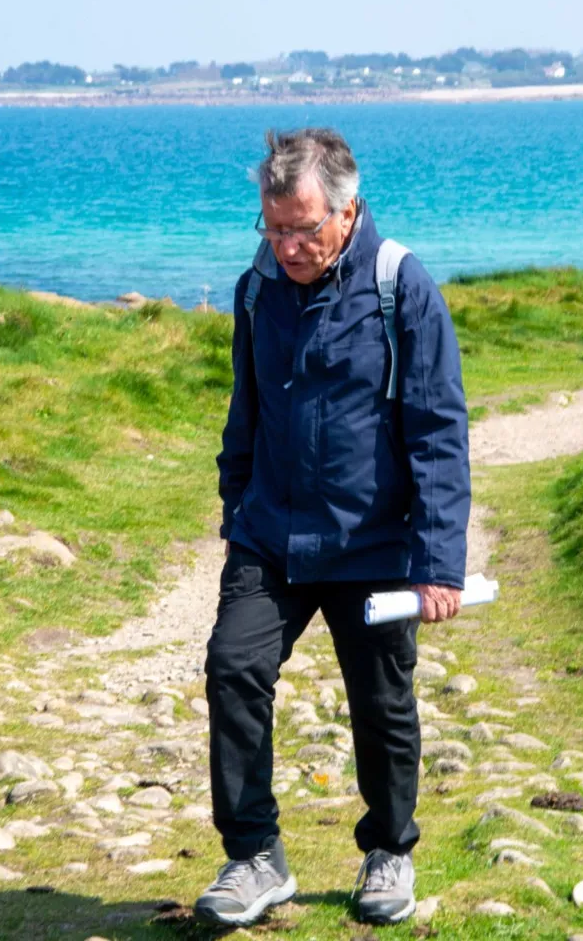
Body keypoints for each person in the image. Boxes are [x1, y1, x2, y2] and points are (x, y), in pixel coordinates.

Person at [194, 128, 470, 928]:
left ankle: (389, 849)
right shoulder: (256, 289)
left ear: (346, 212)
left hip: (372, 541)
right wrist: (235, 507)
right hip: (270, 534)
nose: (286, 246)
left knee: (381, 703)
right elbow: (244, 410)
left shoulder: (400, 285)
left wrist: (438, 562)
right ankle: (254, 856)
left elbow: (437, 431)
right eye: (272, 227)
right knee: (232, 668)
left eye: (302, 228)